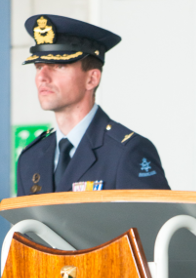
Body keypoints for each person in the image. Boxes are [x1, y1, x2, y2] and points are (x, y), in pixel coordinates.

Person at [14, 14, 170, 196]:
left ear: (92, 79)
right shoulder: (30, 158)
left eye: (59, 66)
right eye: (39, 67)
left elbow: (151, 216)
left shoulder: (127, 152)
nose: (42, 77)